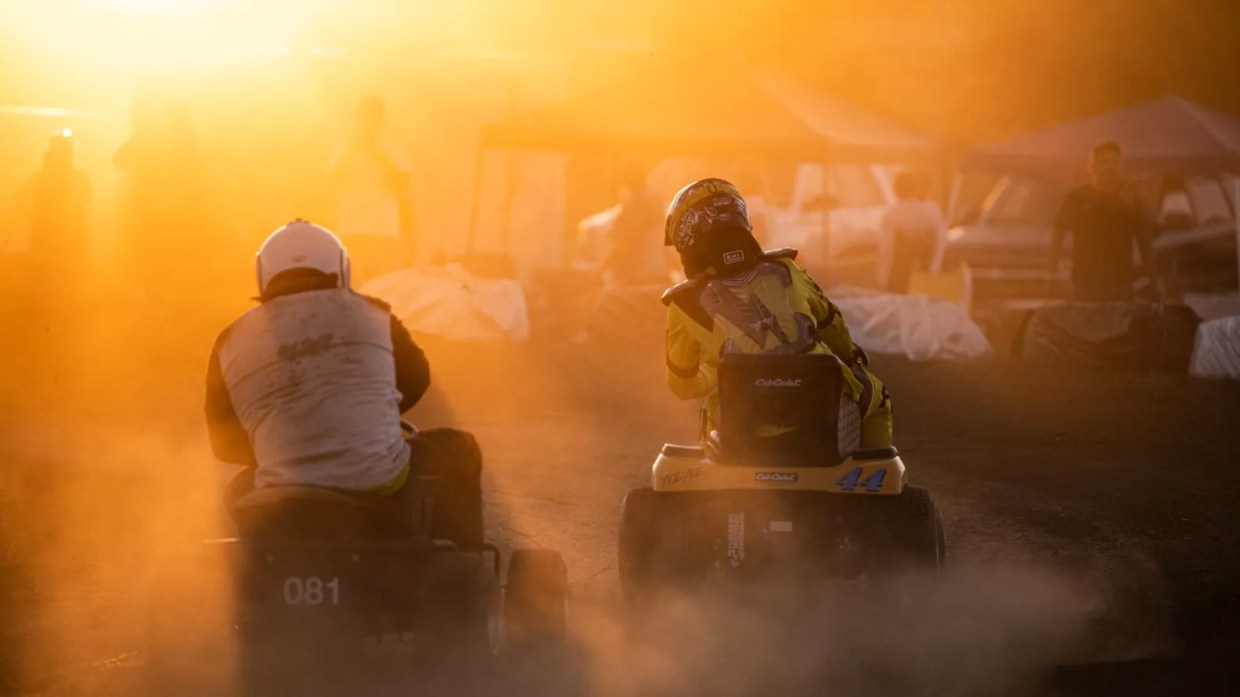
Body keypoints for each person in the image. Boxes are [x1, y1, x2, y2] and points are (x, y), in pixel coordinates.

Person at [204, 221, 483, 548]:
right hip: (378, 482)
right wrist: (365, 411)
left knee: (240, 489)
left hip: (283, 498)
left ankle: (266, 565)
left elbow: (223, 442)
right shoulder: (374, 314)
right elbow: (418, 378)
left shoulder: (229, 341)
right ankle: (460, 564)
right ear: (340, 266)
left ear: (263, 274)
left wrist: (279, 440)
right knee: (461, 449)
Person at [661, 178, 893, 449]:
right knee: (877, 395)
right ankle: (874, 471)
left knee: (713, 407)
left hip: (742, 428)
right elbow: (834, 328)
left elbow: (683, 386)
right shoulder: (787, 269)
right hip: (818, 412)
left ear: (686, 239)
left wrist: (719, 370)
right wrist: (848, 355)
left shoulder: (682, 303)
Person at [1051, 142, 1159, 302]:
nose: (1110, 166)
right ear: (1093, 166)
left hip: (1121, 282)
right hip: (1085, 282)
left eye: (1115, 161)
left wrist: (1152, 277)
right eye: (1104, 161)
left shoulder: (1131, 199)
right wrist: (1053, 270)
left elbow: (1144, 241)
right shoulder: (1078, 198)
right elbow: (1058, 234)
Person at [327, 96, 415, 281]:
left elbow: (403, 184)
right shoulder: (343, 149)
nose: (368, 122)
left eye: (373, 117)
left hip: (383, 230)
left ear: (380, 120)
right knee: (352, 284)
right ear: (358, 119)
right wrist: (352, 152)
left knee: (382, 285)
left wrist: (379, 156)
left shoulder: (394, 149)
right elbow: (331, 182)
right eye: (364, 117)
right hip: (350, 229)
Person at [18, 131, 92, 275]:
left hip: (69, 243)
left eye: (64, 152)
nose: (61, 157)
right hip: (46, 242)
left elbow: (82, 206)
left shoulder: (79, 179)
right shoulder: (40, 178)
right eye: (57, 152)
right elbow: (21, 200)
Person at [602, 158, 672, 287]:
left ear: (639, 174)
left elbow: (631, 233)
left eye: (627, 174)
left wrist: (609, 261)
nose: (623, 178)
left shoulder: (646, 199)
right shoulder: (634, 195)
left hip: (644, 275)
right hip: (642, 273)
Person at [880, 169, 945, 293]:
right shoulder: (933, 210)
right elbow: (941, 241)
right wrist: (934, 268)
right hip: (926, 273)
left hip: (900, 276)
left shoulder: (892, 214)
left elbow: (887, 249)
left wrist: (883, 278)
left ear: (896, 190)